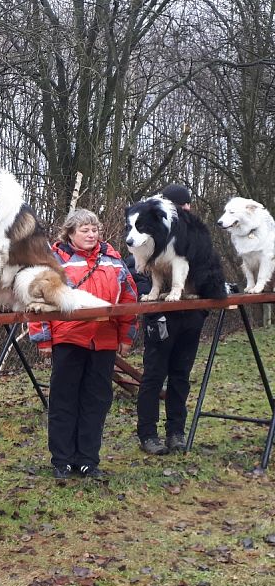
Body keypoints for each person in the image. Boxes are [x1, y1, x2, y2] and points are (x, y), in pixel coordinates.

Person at [29, 209, 138, 480]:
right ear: (70, 233)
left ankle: (88, 459)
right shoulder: (53, 261)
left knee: (96, 401)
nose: (91, 235)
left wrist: (126, 336)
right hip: (68, 338)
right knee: (64, 401)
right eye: (84, 230)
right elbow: (36, 301)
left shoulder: (113, 260)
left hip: (103, 341)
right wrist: (43, 339)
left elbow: (128, 299)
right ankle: (62, 460)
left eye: (95, 230)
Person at [134, 184, 207, 455]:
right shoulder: (148, 230)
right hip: (160, 317)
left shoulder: (191, 234)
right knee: (154, 376)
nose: (185, 210)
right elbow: (139, 272)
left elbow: (204, 267)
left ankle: (176, 432)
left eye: (187, 205)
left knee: (181, 376)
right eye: (179, 206)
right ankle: (148, 434)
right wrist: (154, 298)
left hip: (191, 315)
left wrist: (202, 306)